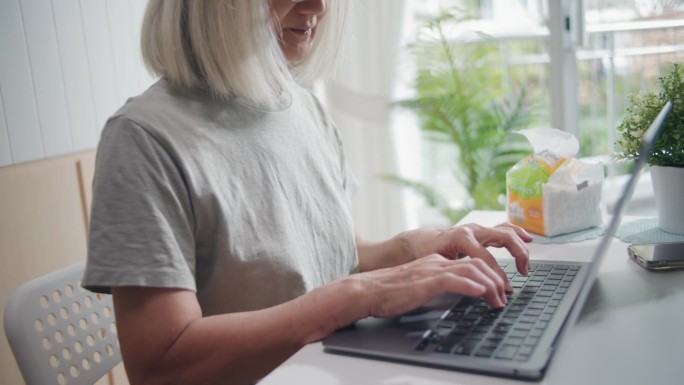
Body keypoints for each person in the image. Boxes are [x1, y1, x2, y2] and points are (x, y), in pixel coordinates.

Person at [83, 0, 533, 384]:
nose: (319, 5)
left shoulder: (300, 106)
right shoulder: (143, 139)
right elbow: (161, 364)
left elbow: (338, 253)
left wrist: (411, 248)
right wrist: (356, 297)